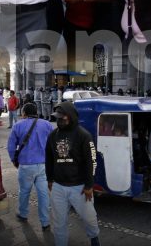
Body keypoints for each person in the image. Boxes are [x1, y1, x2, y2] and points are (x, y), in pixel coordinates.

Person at [46, 102, 100, 246]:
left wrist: (89, 185)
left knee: (89, 218)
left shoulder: (84, 135)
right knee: (58, 222)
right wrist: (49, 179)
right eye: (57, 119)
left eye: (62, 118)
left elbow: (92, 161)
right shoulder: (52, 135)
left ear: (70, 117)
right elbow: (49, 158)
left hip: (80, 187)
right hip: (58, 186)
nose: (59, 122)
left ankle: (94, 237)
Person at [7, 103, 53, 230]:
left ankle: (23, 214)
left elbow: (11, 146)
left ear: (24, 113)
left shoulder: (18, 125)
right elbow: (53, 144)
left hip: (26, 165)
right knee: (43, 194)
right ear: (36, 112)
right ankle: (45, 222)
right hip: (44, 166)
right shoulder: (47, 124)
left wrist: (13, 160)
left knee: (24, 191)